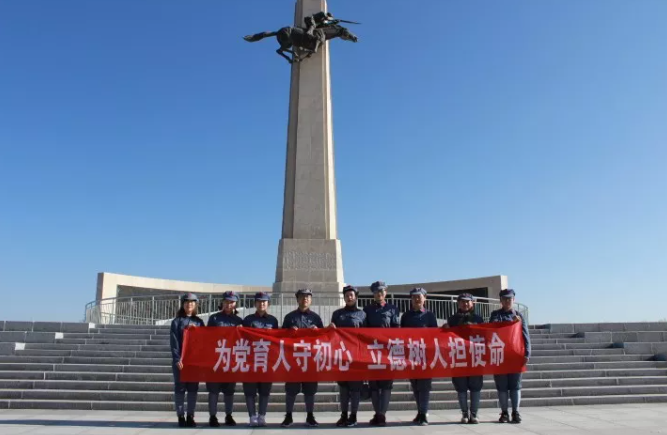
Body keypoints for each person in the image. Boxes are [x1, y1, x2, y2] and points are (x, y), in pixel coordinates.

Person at [280, 288, 324, 428]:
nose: (305, 299)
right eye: (302, 296)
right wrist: (288, 332)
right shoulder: (289, 317)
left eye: (307, 297)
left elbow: (323, 338)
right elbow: (280, 337)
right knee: (291, 390)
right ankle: (288, 416)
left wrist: (317, 332)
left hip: (310, 359)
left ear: (311, 300)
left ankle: (310, 416)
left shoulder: (316, 318)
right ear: (297, 299)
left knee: (310, 390)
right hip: (294, 359)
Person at [489, 289, 531, 424]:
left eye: (510, 299)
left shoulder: (519, 315)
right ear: (500, 300)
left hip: (515, 355)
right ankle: (504, 412)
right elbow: (494, 328)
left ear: (514, 300)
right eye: (505, 299)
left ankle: (516, 412)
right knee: (502, 387)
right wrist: (511, 323)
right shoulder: (495, 315)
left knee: (515, 386)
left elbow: (525, 335)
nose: (507, 301)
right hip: (500, 355)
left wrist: (527, 352)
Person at [363, 280, 399, 426]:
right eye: (377, 291)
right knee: (374, 385)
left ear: (386, 293)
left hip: (387, 351)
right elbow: (364, 330)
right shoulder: (367, 310)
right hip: (372, 351)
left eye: (382, 291)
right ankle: (377, 413)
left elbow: (396, 327)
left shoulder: (392, 309)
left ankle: (382, 414)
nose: (379, 293)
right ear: (373, 294)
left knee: (386, 385)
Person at [329, 285, 366, 427]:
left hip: (357, 355)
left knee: (355, 388)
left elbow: (368, 335)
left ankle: (354, 415)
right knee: (343, 387)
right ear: (343, 297)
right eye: (347, 295)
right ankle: (343, 414)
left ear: (356, 297)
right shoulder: (337, 314)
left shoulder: (362, 315)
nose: (349, 297)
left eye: (351, 295)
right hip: (341, 355)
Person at [400, 287, 438, 426]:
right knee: (415, 385)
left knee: (424, 386)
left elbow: (435, 335)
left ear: (425, 298)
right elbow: (401, 336)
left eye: (419, 296)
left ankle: (424, 413)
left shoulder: (430, 316)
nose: (417, 299)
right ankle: (420, 411)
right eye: (414, 297)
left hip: (425, 356)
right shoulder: (406, 316)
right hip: (411, 355)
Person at [446, 293, 485, 424]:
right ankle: (464, 414)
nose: (465, 304)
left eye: (468, 302)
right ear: (458, 304)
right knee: (461, 388)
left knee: (475, 388)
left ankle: (474, 414)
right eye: (462, 302)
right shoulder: (452, 320)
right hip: (458, 358)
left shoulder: (479, 319)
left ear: (472, 303)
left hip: (475, 358)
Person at [242, 291, 279, 427]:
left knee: (265, 390)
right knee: (250, 390)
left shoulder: (273, 321)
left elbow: (276, 341)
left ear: (268, 304)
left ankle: (262, 415)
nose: (262, 304)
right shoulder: (247, 320)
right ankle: (252, 416)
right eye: (259, 301)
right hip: (251, 360)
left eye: (264, 301)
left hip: (266, 361)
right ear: (255, 303)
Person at [206, 291, 243, 427]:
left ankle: (228, 415)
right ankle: (213, 416)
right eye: (226, 301)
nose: (229, 304)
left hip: (231, 360)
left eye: (232, 302)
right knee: (213, 390)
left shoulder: (239, 321)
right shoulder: (214, 319)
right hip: (216, 359)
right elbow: (207, 338)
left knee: (229, 390)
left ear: (235, 304)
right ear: (222, 302)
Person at [169, 293, 205, 427]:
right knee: (180, 388)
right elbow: (174, 342)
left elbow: (203, 342)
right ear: (183, 304)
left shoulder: (199, 322)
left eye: (192, 302)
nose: (189, 304)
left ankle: (190, 415)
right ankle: (180, 416)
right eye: (186, 302)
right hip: (181, 361)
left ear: (195, 305)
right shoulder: (177, 322)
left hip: (194, 361)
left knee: (193, 388)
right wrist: (177, 358)